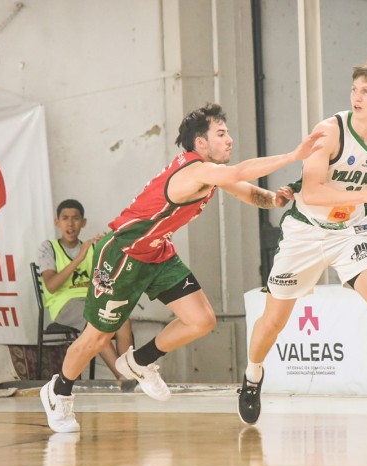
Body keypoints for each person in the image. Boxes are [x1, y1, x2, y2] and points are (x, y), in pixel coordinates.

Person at [40, 103, 325, 433]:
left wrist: (273, 200)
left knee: (201, 320)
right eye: (221, 134)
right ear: (201, 143)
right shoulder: (195, 171)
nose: (230, 139)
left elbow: (247, 192)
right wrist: (293, 155)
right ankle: (58, 391)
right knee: (96, 337)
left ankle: (140, 360)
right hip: (124, 256)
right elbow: (236, 174)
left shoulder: (209, 171)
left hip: (158, 252)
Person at [237, 58, 367, 425]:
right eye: (355, 89)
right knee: (273, 320)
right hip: (306, 229)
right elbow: (316, 191)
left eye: (366, 91)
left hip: (351, 230)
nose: (357, 96)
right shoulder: (330, 131)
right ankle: (253, 375)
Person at [37, 199, 135, 387]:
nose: (70, 223)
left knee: (123, 319)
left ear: (83, 222)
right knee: (98, 323)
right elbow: (51, 285)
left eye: (75, 218)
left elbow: (107, 282)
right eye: (65, 218)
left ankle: (129, 372)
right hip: (64, 305)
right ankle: (123, 379)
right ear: (57, 222)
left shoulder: (92, 247)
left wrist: (108, 250)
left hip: (91, 300)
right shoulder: (48, 247)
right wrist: (79, 257)